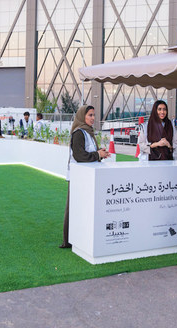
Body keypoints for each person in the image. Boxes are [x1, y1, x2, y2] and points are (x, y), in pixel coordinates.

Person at [61, 105, 110, 248]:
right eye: (90, 115)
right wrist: (97, 154)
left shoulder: (88, 131)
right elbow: (80, 156)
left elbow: (88, 152)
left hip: (87, 176)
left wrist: (100, 153)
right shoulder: (79, 133)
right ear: (82, 116)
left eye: (94, 115)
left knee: (84, 208)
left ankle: (81, 238)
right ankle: (69, 240)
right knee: (74, 208)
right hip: (78, 177)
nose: (93, 118)